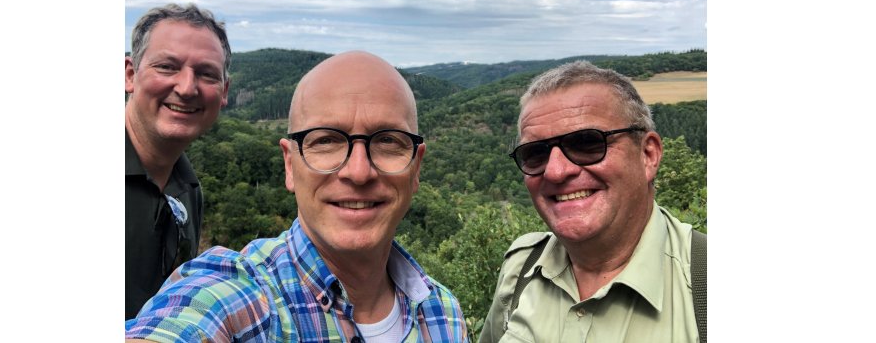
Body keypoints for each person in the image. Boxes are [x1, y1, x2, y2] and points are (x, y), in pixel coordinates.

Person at [125, 51, 468, 342]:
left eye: (388, 141)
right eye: (326, 141)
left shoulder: (444, 314)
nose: (359, 172)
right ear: (290, 165)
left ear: (416, 167)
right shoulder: (238, 298)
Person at [479, 61, 703, 342]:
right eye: (535, 153)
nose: (556, 171)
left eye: (587, 143)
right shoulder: (520, 268)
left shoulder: (705, 284)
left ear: (648, 155)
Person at [125, 3, 231, 320]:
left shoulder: (187, 188)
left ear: (224, 92)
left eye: (206, 74)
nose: (186, 88)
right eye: (167, 67)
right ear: (130, 75)